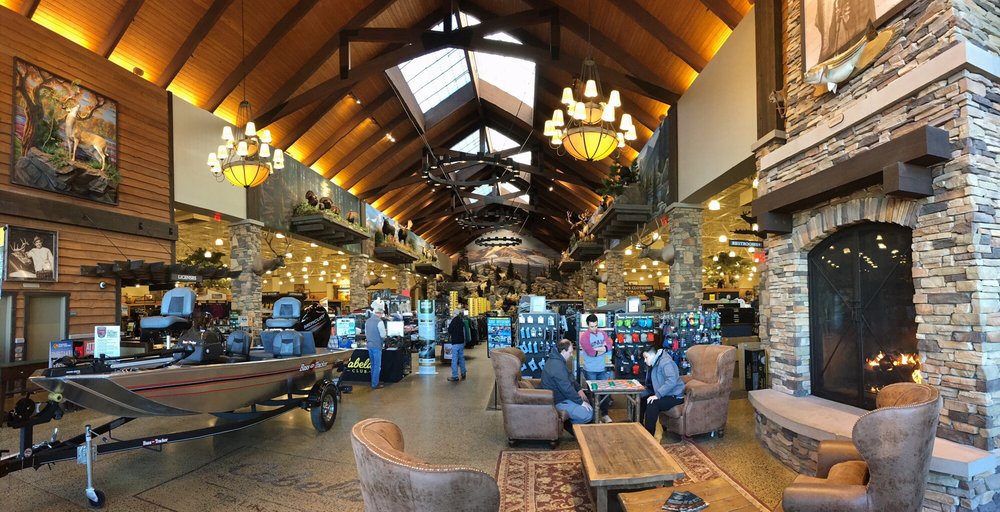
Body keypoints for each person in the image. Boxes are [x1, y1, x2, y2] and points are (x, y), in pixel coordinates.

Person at [541, 339, 593, 425]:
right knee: (588, 413)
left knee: (588, 404)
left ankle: (571, 423)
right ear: (563, 351)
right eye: (570, 352)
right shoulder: (557, 365)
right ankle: (571, 427)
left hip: (564, 397)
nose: (572, 355)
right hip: (559, 401)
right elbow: (566, 388)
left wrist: (579, 389)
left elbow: (570, 377)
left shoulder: (558, 360)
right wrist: (580, 402)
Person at [639, 345, 685, 436]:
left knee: (652, 403)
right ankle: (638, 427)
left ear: (653, 355)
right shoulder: (655, 362)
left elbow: (671, 381)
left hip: (674, 396)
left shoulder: (665, 362)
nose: (645, 360)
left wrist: (658, 395)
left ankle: (649, 436)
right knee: (641, 397)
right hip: (665, 393)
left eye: (646, 357)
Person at [579, 313, 613, 423]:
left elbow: (609, 346)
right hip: (590, 369)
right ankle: (593, 417)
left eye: (595, 326)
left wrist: (600, 349)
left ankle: (604, 415)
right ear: (587, 325)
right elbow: (591, 353)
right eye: (591, 326)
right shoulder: (584, 337)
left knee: (604, 392)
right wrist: (603, 349)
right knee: (592, 394)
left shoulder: (602, 333)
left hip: (601, 368)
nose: (594, 328)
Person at [364, 304, 387, 389]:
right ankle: (375, 384)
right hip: (377, 345)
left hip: (369, 345)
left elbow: (366, 333)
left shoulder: (367, 321)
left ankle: (374, 381)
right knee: (377, 365)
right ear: (380, 313)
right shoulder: (379, 322)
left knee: (372, 365)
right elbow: (383, 335)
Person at [447, 310, 468, 382]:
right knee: (461, 358)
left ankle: (455, 376)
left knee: (454, 359)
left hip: (455, 343)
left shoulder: (453, 321)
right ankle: (463, 372)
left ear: (454, 314)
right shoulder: (461, 321)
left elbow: (449, 330)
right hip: (461, 342)